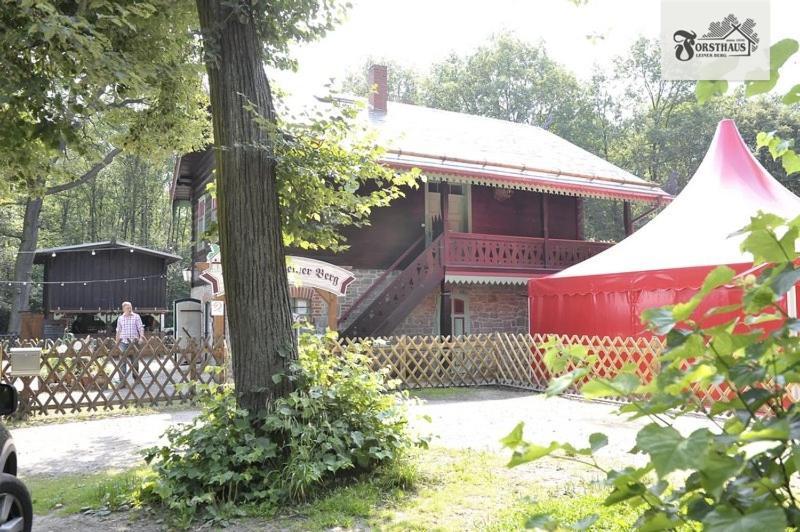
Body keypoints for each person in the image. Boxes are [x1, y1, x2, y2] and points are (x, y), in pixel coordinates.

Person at [115, 301, 145, 385]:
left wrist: (141, 337)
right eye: (128, 308)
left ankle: (136, 379)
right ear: (123, 309)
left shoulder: (136, 316)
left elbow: (140, 328)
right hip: (123, 342)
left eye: (130, 307)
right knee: (122, 362)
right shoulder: (120, 318)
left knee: (135, 361)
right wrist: (117, 342)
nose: (130, 309)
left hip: (134, 342)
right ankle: (122, 381)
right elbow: (118, 330)